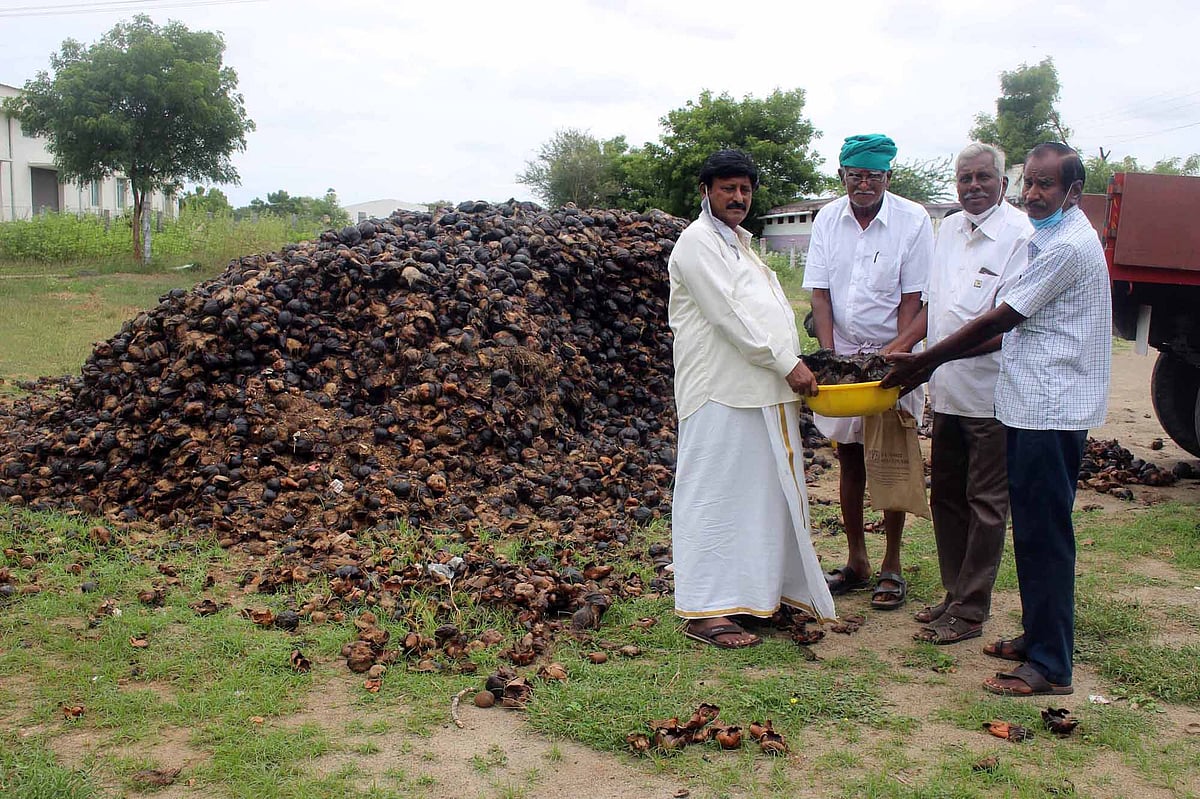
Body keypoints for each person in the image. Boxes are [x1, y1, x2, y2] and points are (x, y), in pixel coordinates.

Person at [884, 142, 1110, 695]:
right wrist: (923, 359)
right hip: (1029, 403)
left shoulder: (1066, 247)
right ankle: (1037, 640)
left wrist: (925, 361)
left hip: (1051, 408)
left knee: (1043, 536)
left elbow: (999, 320)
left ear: (1073, 191)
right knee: (1032, 532)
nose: (1034, 193)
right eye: (1030, 181)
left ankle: (1051, 665)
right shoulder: (1047, 237)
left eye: (1045, 184)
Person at [668, 149, 836, 648]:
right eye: (728, 188)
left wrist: (788, 364)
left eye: (744, 189)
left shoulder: (740, 243)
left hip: (760, 390)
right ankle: (705, 611)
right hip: (719, 392)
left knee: (761, 499)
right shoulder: (697, 242)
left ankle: (757, 598)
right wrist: (786, 363)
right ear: (706, 192)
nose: (738, 197)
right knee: (713, 497)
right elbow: (728, 316)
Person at [891, 143, 1033, 644]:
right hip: (947, 391)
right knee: (947, 494)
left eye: (982, 177)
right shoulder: (948, 229)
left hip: (993, 393)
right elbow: (934, 307)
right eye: (965, 178)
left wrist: (932, 358)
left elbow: (1005, 326)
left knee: (986, 501)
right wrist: (901, 349)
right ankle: (954, 594)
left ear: (1003, 183)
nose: (972, 186)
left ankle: (971, 609)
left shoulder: (1021, 235)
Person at [802, 134, 933, 610]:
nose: (864, 184)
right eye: (855, 175)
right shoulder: (827, 220)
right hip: (843, 360)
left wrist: (893, 357)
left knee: (891, 458)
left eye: (874, 176)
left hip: (892, 359)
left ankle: (892, 563)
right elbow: (820, 294)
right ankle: (857, 559)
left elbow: (914, 300)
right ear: (841, 175)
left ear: (888, 177)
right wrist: (830, 357)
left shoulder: (913, 220)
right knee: (850, 459)